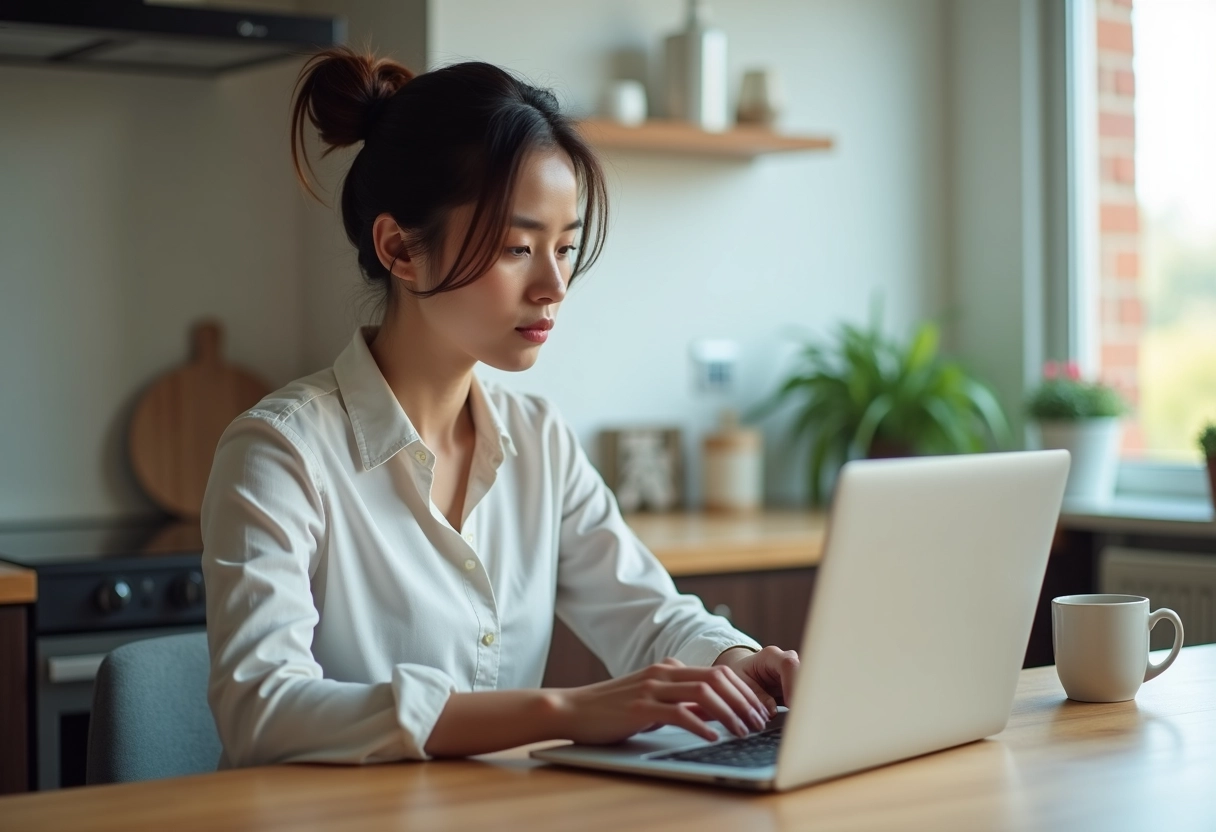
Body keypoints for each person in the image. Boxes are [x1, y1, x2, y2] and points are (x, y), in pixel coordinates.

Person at [201, 46, 800, 768]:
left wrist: (736, 657)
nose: (554, 285)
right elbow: (263, 709)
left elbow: (645, 612)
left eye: (566, 247)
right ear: (399, 248)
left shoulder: (538, 438)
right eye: (519, 247)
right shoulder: (280, 452)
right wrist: (561, 710)